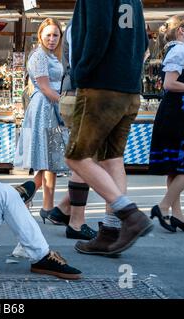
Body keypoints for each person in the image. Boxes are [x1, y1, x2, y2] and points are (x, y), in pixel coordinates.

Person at [65, 0, 152, 256]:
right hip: (128, 88)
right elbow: (143, 41)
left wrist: (81, 72)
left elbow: (98, 32)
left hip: (101, 86)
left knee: (76, 157)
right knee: (112, 159)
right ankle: (111, 232)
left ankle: (129, 215)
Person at [148, 15, 184, 233]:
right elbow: (170, 84)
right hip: (180, 116)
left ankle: (177, 216)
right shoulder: (179, 51)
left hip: (177, 113)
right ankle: (162, 206)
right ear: (181, 31)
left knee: (175, 168)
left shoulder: (180, 51)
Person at [14, 18, 69, 223]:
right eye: (48, 35)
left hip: (52, 105)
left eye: (56, 35)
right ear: (40, 36)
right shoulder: (39, 56)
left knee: (51, 160)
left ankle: (46, 205)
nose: (52, 39)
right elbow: (45, 88)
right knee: (45, 159)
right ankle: (21, 197)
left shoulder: (53, 56)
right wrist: (67, 104)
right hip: (45, 106)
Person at [46, 18, 97, 240]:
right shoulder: (80, 24)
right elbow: (80, 64)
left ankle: (62, 209)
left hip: (79, 94)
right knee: (85, 159)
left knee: (91, 159)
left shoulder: (81, 23)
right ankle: (76, 222)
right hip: (80, 94)